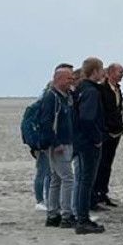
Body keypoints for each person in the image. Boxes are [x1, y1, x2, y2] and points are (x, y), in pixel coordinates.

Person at [28, 65, 80, 230]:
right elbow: (46, 122)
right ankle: (66, 215)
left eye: (72, 78)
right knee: (67, 178)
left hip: (66, 142)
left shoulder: (66, 96)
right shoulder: (52, 97)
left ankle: (53, 214)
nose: (71, 80)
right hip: (58, 145)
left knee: (56, 179)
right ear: (58, 79)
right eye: (68, 78)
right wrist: (55, 143)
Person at [69, 58, 109, 233]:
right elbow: (87, 117)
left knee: (83, 180)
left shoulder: (81, 89)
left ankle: (81, 216)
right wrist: (97, 138)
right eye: (101, 70)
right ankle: (82, 219)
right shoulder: (90, 91)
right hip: (87, 143)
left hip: (80, 140)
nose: (103, 73)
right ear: (94, 72)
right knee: (86, 181)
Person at [94, 64, 123, 208]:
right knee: (101, 164)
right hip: (106, 132)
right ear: (110, 73)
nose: (122, 75)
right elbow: (102, 111)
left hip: (116, 132)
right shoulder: (102, 89)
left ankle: (103, 192)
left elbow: (117, 110)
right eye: (120, 72)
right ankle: (97, 194)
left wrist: (121, 126)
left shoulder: (117, 89)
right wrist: (105, 129)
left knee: (108, 164)